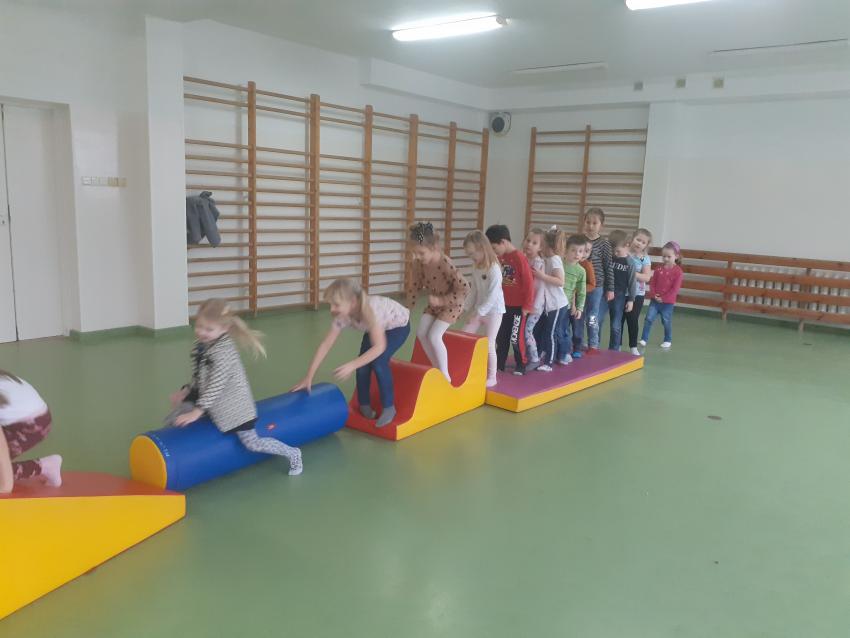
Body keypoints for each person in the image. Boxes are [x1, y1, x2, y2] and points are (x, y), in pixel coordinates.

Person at [168, 298, 302, 475]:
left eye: (209, 329)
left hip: (235, 408)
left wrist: (196, 412)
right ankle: (171, 455)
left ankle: (293, 453)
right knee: (177, 415)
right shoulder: (203, 344)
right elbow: (200, 374)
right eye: (199, 326)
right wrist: (187, 391)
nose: (202, 332)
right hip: (209, 400)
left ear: (225, 329)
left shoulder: (224, 352)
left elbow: (216, 385)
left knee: (252, 443)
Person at [293, 278, 410, 427]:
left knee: (378, 362)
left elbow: (379, 347)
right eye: (330, 304)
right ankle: (364, 404)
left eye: (336, 304)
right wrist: (309, 376)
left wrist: (352, 365)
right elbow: (325, 344)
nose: (331, 309)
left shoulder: (372, 311)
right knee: (362, 366)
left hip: (397, 326)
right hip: (374, 328)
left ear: (353, 302)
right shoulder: (342, 317)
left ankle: (389, 407)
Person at [405, 222, 469, 384]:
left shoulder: (445, 264)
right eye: (414, 253)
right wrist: (407, 309)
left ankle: (445, 375)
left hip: (452, 305)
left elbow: (464, 288)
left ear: (434, 247)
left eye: (421, 253)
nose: (417, 257)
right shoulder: (418, 264)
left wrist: (442, 301)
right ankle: (438, 369)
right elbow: (414, 287)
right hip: (434, 305)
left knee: (434, 336)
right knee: (421, 333)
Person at [485, 224, 535, 375]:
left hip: (519, 308)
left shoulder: (519, 258)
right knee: (501, 337)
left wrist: (527, 306)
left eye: (494, 248)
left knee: (515, 337)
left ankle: (521, 364)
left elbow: (529, 284)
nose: (494, 252)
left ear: (503, 242)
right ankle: (499, 363)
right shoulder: (499, 258)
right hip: (502, 307)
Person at [0, 371, 61, 494]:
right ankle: (47, 466)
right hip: (31, 417)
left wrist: (5, 486)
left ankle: (45, 466)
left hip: (32, 426)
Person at [460, 231, 505, 387]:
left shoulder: (494, 269)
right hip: (480, 309)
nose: (470, 257)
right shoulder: (475, 267)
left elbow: (493, 296)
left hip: (494, 312)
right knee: (464, 336)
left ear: (482, 249)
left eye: (472, 253)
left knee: (489, 343)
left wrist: (477, 313)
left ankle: (492, 376)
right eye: (468, 254)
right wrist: (464, 308)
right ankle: (466, 369)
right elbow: (473, 291)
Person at [532, 228, 569, 372]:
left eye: (542, 244)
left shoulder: (555, 260)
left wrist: (542, 276)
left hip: (557, 305)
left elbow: (560, 281)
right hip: (548, 304)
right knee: (540, 330)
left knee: (550, 333)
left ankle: (549, 362)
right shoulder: (546, 258)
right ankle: (539, 354)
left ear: (548, 246)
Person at [640, 241, 685, 350]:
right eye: (664, 256)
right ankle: (644, 339)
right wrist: (654, 295)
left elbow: (675, 289)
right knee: (649, 318)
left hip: (668, 303)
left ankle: (667, 340)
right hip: (655, 301)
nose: (665, 259)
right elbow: (653, 283)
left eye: (669, 256)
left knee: (666, 321)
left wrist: (664, 298)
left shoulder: (678, 272)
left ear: (676, 256)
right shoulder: (658, 269)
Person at [582, 208, 614, 354]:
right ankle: (578, 342)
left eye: (594, 223)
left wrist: (610, 289)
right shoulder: (580, 241)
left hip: (597, 286)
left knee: (592, 315)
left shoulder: (604, 244)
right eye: (588, 222)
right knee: (578, 315)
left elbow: (608, 267)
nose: (591, 226)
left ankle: (593, 344)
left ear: (601, 225)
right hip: (580, 285)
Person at [623, 228, 653, 355]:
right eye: (638, 239)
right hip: (621, 292)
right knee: (619, 320)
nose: (639, 243)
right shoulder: (624, 252)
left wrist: (631, 273)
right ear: (632, 238)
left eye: (643, 242)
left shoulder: (645, 259)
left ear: (646, 245)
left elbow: (646, 277)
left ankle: (633, 346)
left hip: (637, 294)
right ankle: (616, 345)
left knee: (632, 320)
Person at [607, 230, 637, 351]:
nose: (615, 253)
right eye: (613, 251)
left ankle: (614, 350)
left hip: (619, 296)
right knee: (596, 319)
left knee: (615, 325)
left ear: (627, 246)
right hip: (606, 292)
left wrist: (631, 300)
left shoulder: (630, 263)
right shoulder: (611, 258)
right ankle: (594, 345)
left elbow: (632, 283)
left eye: (618, 251)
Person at [522, 228, 546, 368]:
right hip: (525, 304)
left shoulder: (538, 263)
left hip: (535, 305)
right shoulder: (523, 259)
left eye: (534, 243)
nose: (529, 244)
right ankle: (526, 356)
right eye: (528, 240)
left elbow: (538, 287)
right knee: (522, 331)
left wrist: (533, 306)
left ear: (540, 247)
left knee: (527, 331)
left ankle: (535, 358)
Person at [562, 234, 587, 358]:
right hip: (558, 304)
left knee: (577, 328)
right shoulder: (559, 263)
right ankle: (563, 350)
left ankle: (576, 348)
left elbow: (582, 291)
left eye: (580, 251)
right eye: (573, 250)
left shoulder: (581, 271)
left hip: (572, 304)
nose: (577, 254)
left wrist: (579, 308)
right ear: (566, 250)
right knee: (563, 329)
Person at [571, 237, 596, 359]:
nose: (584, 254)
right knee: (564, 325)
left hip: (580, 301)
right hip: (567, 299)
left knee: (578, 324)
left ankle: (577, 347)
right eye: (582, 250)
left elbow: (592, 284)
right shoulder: (569, 263)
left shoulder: (587, 265)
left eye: (587, 251)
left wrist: (578, 289)